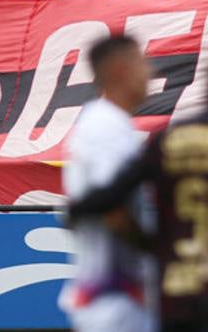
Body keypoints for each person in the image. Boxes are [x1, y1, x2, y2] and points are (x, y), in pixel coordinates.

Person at [66, 55, 208, 330]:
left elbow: (112, 193)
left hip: (181, 281)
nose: (150, 72)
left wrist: (79, 209)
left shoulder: (171, 137)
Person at [58, 35, 153, 332]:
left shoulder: (110, 123)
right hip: (112, 299)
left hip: (116, 295)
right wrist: (157, 249)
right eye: (142, 63)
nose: (150, 73)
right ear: (121, 70)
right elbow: (111, 208)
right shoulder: (106, 127)